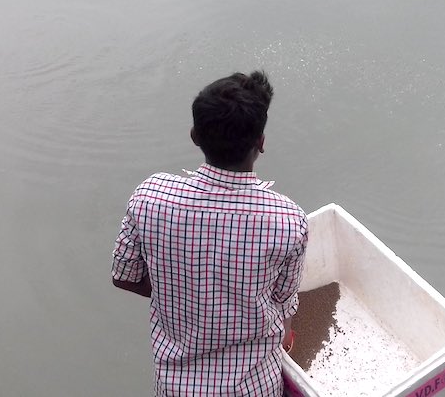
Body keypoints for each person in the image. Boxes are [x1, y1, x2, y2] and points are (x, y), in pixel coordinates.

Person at [111, 71, 308, 397]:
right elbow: (283, 306)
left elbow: (124, 276)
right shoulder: (288, 221)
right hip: (253, 388)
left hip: (175, 388)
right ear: (261, 142)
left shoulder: (150, 197)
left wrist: (181, 295)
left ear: (194, 136)